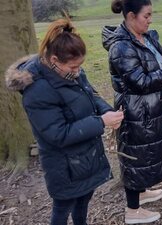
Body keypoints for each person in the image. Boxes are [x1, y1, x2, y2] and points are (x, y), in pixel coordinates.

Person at [5, 19, 124, 225]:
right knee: (62, 209)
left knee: (84, 200)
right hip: (63, 165)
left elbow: (90, 95)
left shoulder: (71, 72)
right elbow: (57, 134)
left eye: (80, 66)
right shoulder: (37, 91)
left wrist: (108, 111)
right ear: (54, 60)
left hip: (86, 155)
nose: (78, 71)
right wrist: (101, 122)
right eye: (73, 66)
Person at [102, 0, 162, 223]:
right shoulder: (121, 47)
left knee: (146, 156)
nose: (150, 20)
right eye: (146, 16)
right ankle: (132, 211)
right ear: (131, 16)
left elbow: (155, 67)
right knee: (135, 158)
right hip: (135, 114)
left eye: (151, 15)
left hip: (151, 110)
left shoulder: (146, 38)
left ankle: (141, 192)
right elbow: (140, 82)